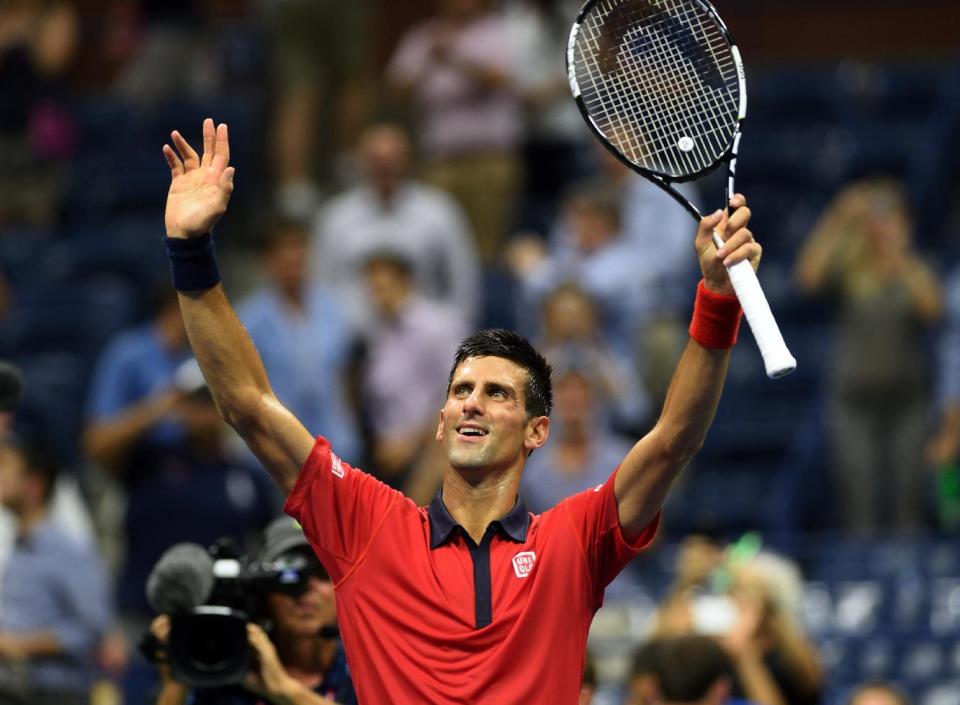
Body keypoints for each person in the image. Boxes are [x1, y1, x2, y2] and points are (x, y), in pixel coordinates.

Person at [159, 118, 761, 704]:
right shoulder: (368, 525)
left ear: (537, 432)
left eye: (498, 393)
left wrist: (715, 299)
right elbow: (248, 407)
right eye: (461, 390)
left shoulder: (573, 541)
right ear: (442, 421)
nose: (472, 401)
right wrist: (190, 251)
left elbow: (674, 438)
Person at [794, 177, 942, 533]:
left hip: (907, 400)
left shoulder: (914, 267)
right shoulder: (851, 267)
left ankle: (906, 577)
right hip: (853, 400)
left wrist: (898, 253)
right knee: (858, 496)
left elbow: (933, 309)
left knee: (908, 495)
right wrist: (838, 217)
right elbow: (806, 278)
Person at [152, 516, 355, 705]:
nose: (304, 588)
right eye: (287, 576)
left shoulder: (364, 668)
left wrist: (286, 691)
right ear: (263, 593)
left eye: (321, 573)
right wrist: (176, 680)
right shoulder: (221, 666)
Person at [311, 124, 481, 327]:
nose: (384, 167)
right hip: (352, 341)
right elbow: (320, 287)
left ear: (408, 160)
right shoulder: (336, 216)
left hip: (424, 341)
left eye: (391, 159)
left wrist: (451, 340)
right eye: (376, 160)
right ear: (361, 162)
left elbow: (463, 283)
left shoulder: (440, 212)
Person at [238, 218, 361, 465]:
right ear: (269, 262)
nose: (292, 262)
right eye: (283, 255)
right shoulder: (249, 319)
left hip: (336, 443)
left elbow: (347, 374)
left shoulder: (333, 309)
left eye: (298, 252)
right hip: (279, 451)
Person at [0, 436, 111, 705]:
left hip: (52, 693)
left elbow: (92, 628)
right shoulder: (17, 545)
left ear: (33, 485)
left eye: (4, 467)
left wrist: (18, 644)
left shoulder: (68, 550)